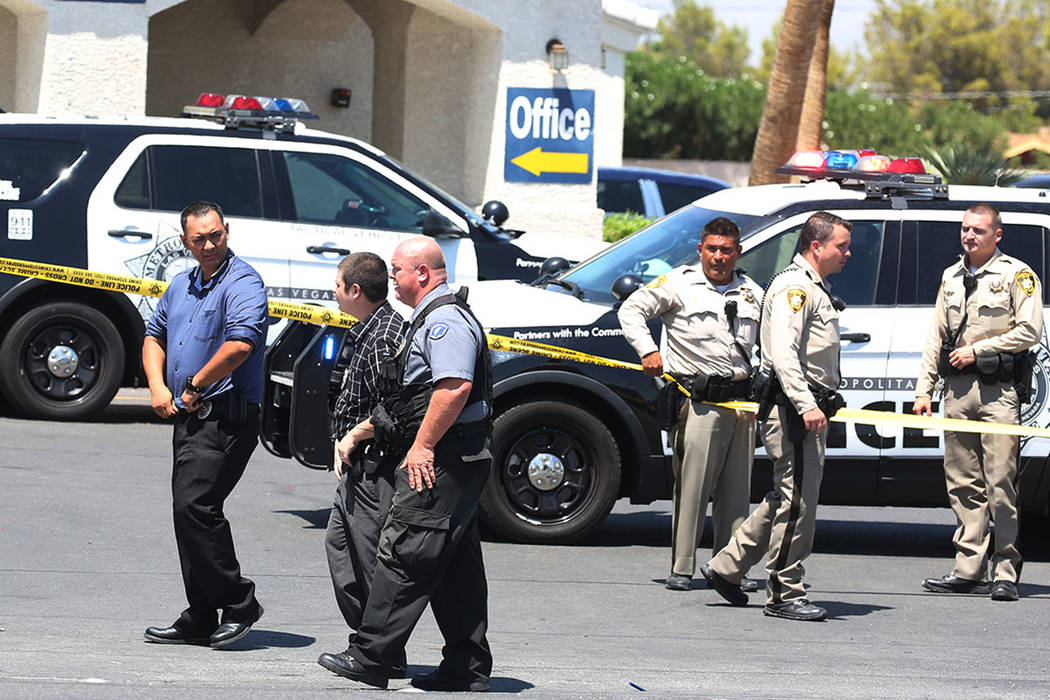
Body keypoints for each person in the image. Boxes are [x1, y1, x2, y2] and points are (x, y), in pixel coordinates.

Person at [319, 237, 493, 692]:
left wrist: (423, 446)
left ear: (421, 273)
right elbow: (410, 399)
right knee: (455, 566)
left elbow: (453, 388)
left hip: (443, 458)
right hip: (455, 458)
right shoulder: (431, 318)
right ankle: (466, 665)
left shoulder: (445, 322)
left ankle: (372, 657)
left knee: (405, 553)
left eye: (396, 269)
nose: (390, 276)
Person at [701, 211, 851, 622]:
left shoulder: (811, 286)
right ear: (816, 247)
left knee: (788, 495)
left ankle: (727, 567)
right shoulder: (795, 289)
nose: (847, 253)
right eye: (841, 246)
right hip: (792, 411)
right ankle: (785, 590)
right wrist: (806, 404)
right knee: (798, 501)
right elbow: (784, 354)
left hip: (799, 408)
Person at [142, 201, 268, 647]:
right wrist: (158, 387)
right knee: (186, 512)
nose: (210, 244)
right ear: (185, 242)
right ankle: (200, 614)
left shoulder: (244, 282)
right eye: (200, 239)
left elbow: (240, 346)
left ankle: (239, 602)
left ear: (227, 230)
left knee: (196, 507)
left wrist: (194, 382)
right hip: (188, 419)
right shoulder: (181, 285)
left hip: (227, 417)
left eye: (216, 234)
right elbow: (153, 335)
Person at [618, 217, 763, 593]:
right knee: (693, 488)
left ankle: (730, 567)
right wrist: (647, 349)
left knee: (736, 493)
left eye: (726, 250)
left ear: (738, 252)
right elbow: (631, 310)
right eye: (711, 249)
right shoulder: (679, 284)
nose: (718, 257)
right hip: (698, 402)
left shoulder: (751, 292)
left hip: (741, 403)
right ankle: (682, 566)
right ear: (700, 249)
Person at [913, 203, 1043, 602]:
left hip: (997, 392)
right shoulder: (951, 276)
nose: (970, 236)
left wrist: (980, 349)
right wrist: (923, 389)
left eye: (979, 231)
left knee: (1001, 482)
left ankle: (1005, 569)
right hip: (957, 391)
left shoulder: (1017, 275)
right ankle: (968, 567)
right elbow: (936, 335)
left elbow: (1030, 331)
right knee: (961, 482)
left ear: (997, 235)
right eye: (966, 229)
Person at [317, 254, 407, 676]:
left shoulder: (385, 336)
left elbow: (395, 411)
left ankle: (380, 655)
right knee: (340, 549)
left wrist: (355, 436)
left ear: (355, 290)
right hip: (355, 468)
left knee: (371, 561)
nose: (333, 290)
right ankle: (369, 642)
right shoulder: (365, 331)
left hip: (377, 470)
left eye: (338, 284)